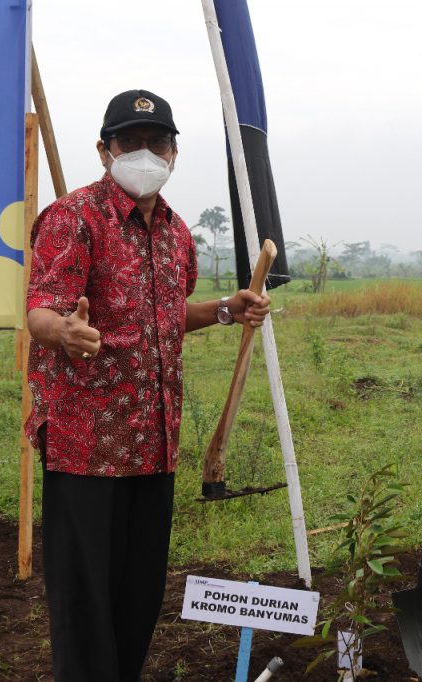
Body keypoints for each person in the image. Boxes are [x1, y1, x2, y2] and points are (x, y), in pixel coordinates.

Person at [24, 89, 270, 681]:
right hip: (86, 446)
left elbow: (163, 315)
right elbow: (40, 311)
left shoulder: (176, 232)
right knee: (85, 602)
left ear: (173, 153)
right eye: (129, 142)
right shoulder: (73, 218)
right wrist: (65, 331)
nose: (144, 153)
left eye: (156, 142)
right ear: (104, 150)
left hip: (153, 442)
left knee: (138, 596)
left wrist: (226, 309)